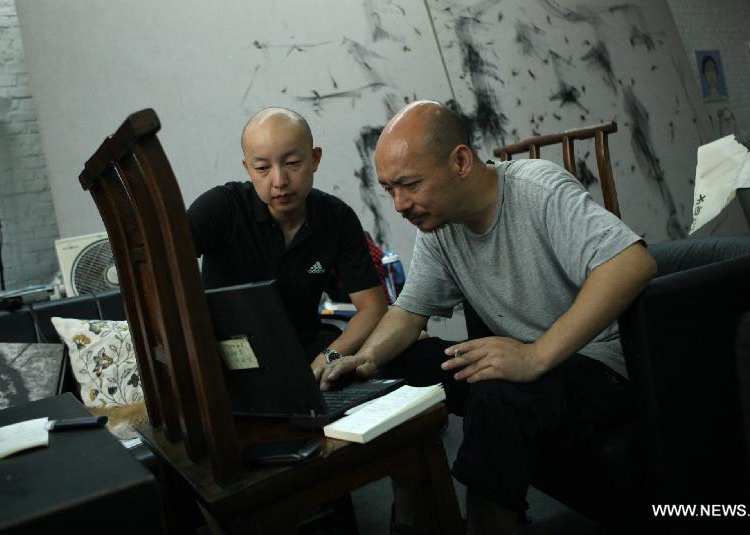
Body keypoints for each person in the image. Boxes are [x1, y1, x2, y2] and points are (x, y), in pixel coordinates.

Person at [319, 101, 657, 534]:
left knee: (497, 393)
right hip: (522, 361)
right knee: (397, 365)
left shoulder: (539, 189)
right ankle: (418, 522)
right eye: (390, 190)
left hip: (597, 367)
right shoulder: (440, 225)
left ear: (460, 161)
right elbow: (407, 312)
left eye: (410, 185)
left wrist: (535, 356)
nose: (400, 204)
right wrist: (366, 359)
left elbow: (631, 262)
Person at [187, 107, 387, 379]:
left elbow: (373, 308)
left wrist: (329, 357)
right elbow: (161, 271)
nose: (279, 181)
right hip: (228, 358)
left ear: (315, 159)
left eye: (292, 163)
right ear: (248, 168)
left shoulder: (336, 218)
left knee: (402, 359)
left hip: (303, 349)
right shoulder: (221, 208)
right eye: (262, 168)